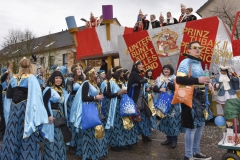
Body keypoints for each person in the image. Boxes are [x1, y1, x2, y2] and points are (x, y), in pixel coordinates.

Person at [0, 57, 49, 159]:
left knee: (13, 132)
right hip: (26, 109)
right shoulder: (32, 78)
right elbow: (37, 97)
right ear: (30, 66)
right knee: (27, 132)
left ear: (20, 66)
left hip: (14, 109)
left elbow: (8, 95)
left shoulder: (13, 78)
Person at [176, 41, 213, 160]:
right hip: (190, 98)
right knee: (191, 128)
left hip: (201, 98)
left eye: (200, 48)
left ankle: (196, 152)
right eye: (195, 48)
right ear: (189, 50)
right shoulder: (186, 62)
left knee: (201, 125)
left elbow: (200, 80)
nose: (198, 49)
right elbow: (179, 79)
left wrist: (209, 84)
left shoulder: (198, 63)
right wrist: (198, 79)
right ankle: (188, 155)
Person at [70, 66, 108, 160]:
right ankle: (89, 154)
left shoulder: (93, 83)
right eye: (94, 72)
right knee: (91, 132)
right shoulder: (86, 84)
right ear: (90, 74)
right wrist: (96, 98)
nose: (96, 73)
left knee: (97, 131)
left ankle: (98, 152)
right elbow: (84, 98)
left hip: (95, 108)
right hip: (90, 110)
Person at [105, 66, 139, 151]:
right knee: (117, 125)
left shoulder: (122, 81)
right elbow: (107, 95)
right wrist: (119, 93)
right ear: (118, 73)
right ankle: (115, 144)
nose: (123, 74)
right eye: (121, 72)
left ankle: (126, 142)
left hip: (124, 104)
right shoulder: (110, 82)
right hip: (115, 105)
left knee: (127, 122)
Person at [153, 64, 185, 149]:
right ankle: (168, 138)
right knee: (166, 121)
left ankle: (174, 140)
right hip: (163, 104)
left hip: (174, 104)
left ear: (171, 70)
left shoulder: (175, 78)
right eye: (164, 69)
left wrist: (167, 82)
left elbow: (177, 88)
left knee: (173, 121)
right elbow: (154, 88)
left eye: (167, 69)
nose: (166, 70)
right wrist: (159, 89)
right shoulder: (159, 78)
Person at [42, 70, 67, 160]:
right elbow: (44, 103)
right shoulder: (49, 89)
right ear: (53, 79)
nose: (58, 80)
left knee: (60, 137)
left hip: (59, 115)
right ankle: (51, 157)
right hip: (52, 115)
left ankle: (60, 157)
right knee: (52, 136)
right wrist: (49, 115)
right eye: (56, 78)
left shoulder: (62, 90)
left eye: (60, 78)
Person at [127, 60, 153, 141]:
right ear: (135, 66)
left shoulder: (137, 74)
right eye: (140, 64)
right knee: (140, 117)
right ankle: (142, 135)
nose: (142, 65)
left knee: (143, 116)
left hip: (140, 98)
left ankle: (145, 135)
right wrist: (141, 81)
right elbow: (142, 81)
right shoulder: (134, 74)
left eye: (142, 64)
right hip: (136, 99)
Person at [66, 64, 85, 154]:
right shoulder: (70, 79)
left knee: (80, 122)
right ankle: (71, 145)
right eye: (77, 69)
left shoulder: (82, 79)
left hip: (81, 102)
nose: (79, 70)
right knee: (73, 123)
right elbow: (68, 91)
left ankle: (79, 144)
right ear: (73, 70)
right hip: (73, 102)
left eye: (80, 68)